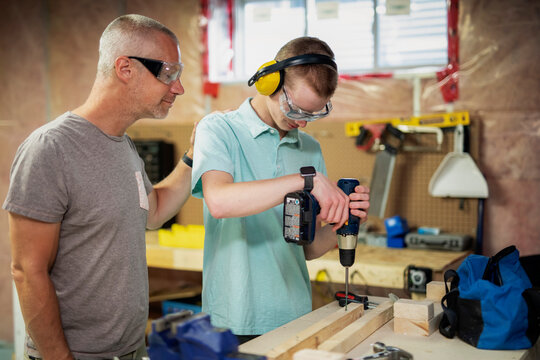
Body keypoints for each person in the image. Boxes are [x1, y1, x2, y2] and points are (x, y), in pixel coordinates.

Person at [4, 14, 194, 359]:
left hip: (130, 350)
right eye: (169, 73)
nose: (178, 87)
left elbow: (152, 213)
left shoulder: (123, 145)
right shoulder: (51, 148)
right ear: (125, 68)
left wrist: (194, 158)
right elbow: (27, 270)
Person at [191, 36, 370, 342]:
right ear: (269, 82)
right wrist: (304, 181)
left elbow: (309, 248)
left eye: (313, 115)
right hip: (232, 318)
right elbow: (219, 201)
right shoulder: (219, 130)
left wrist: (346, 222)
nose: (301, 123)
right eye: (296, 109)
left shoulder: (309, 148)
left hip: (294, 316)